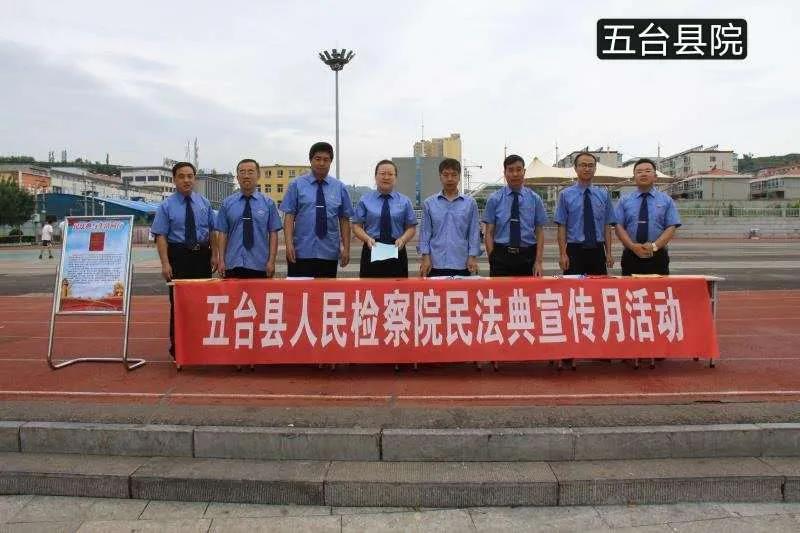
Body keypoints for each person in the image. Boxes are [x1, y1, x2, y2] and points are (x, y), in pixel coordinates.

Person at [150, 162, 217, 359]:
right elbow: (160, 235)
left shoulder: (204, 203)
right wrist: (165, 263)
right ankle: (178, 348)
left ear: (194, 179)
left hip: (202, 257)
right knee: (179, 304)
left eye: (190, 176)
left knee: (203, 302)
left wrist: (215, 255)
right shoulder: (166, 206)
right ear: (174, 179)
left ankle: (202, 346)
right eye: (181, 176)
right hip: (178, 257)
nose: (186, 180)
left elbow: (212, 230)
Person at [280, 142, 353, 278]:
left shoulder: (340, 188)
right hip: (301, 252)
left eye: (326, 160)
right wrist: (289, 244)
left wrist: (346, 248)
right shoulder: (296, 185)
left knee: (326, 291)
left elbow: (344, 220)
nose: (321, 163)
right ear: (310, 160)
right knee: (299, 291)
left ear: (331, 162)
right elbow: (289, 217)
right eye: (317, 159)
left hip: (329, 252)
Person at [483, 154, 548, 277]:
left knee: (527, 290)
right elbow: (489, 232)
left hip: (527, 256)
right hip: (501, 256)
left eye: (518, 169)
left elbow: (539, 232)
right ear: (505, 173)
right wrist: (492, 258)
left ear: (524, 171)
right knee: (500, 289)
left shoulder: (535, 199)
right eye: (510, 170)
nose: (515, 174)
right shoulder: (494, 199)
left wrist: (538, 261)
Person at [216, 158, 282, 279]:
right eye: (242, 172)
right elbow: (222, 234)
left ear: (258, 175)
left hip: (260, 265)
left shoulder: (268, 204)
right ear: (237, 177)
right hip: (233, 264)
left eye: (250, 172)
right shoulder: (227, 204)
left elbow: (273, 234)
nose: (246, 176)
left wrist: (271, 261)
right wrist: (221, 260)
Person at [614, 158, 681, 275]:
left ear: (655, 176)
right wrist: (632, 246)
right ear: (634, 177)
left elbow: (671, 227)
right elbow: (618, 226)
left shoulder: (666, 200)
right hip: (631, 255)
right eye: (639, 172)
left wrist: (654, 246)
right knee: (629, 286)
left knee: (658, 286)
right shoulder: (624, 201)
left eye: (648, 171)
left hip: (658, 254)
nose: (643, 174)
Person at [351, 160, 417, 278]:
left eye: (390, 174)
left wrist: (403, 239)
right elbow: (356, 226)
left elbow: (411, 227)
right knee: (370, 286)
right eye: (382, 173)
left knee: (398, 288)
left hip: (397, 248)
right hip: (372, 247)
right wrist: (367, 239)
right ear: (375, 176)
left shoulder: (405, 201)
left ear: (395, 178)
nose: (386, 177)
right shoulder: (365, 200)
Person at [554, 152, 616, 275]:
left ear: (595, 168)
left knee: (598, 285)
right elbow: (562, 227)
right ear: (575, 168)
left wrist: (609, 253)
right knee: (573, 286)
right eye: (583, 165)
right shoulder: (565, 195)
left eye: (590, 165)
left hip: (598, 250)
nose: (587, 169)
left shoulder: (603, 194)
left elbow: (607, 226)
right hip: (574, 250)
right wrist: (562, 254)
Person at [418, 158, 481, 277]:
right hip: (435, 262)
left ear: (459, 176)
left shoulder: (470, 203)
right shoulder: (429, 203)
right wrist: (425, 257)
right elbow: (425, 233)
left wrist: (472, 256)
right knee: (434, 290)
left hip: (462, 262)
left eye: (454, 175)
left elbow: (473, 233)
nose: (450, 179)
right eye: (446, 175)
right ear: (440, 176)